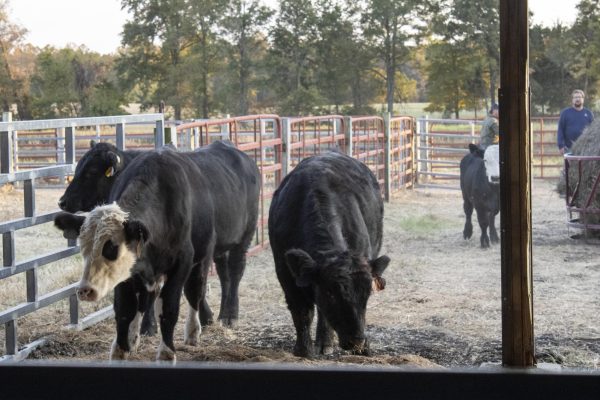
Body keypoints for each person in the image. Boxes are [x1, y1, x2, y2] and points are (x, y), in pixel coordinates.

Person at [557, 89, 594, 154]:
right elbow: (560, 130)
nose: (577, 99)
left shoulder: (589, 114)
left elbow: (592, 132)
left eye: (579, 97)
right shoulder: (565, 113)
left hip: (585, 149)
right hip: (568, 148)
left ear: (583, 99)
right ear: (572, 100)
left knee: (583, 164)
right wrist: (561, 145)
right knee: (569, 164)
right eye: (575, 97)